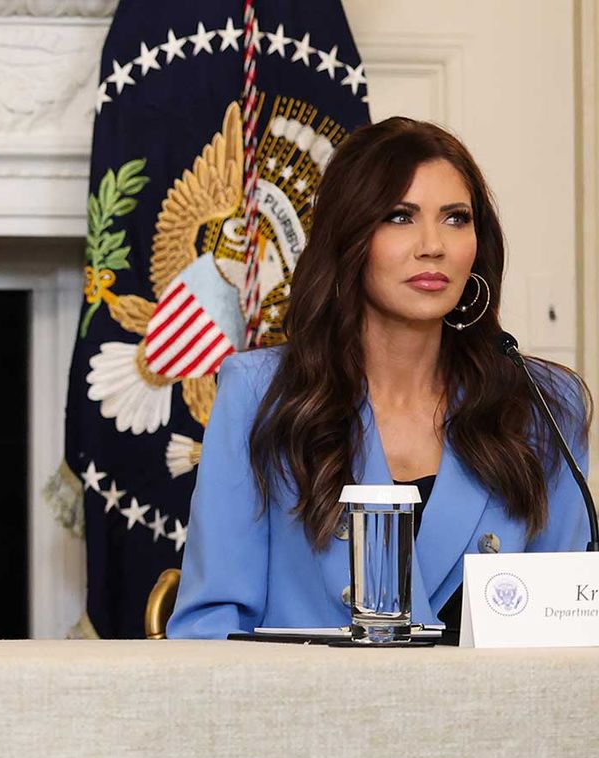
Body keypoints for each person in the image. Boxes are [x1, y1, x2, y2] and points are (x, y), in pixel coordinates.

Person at [167, 117, 591, 639]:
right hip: (307, 694)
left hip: (494, 695)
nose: (432, 245)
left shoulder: (545, 404)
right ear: (349, 237)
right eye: (399, 217)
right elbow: (211, 628)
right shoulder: (260, 393)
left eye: (456, 218)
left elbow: (566, 630)